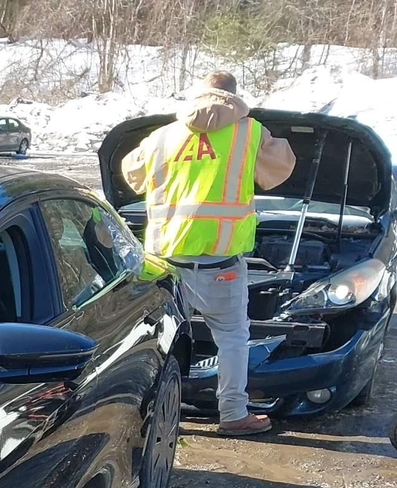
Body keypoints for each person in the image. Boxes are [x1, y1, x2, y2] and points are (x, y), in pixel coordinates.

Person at [122, 70, 296, 436]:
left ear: (196, 95)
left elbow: (131, 174)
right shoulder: (249, 132)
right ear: (234, 96)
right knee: (232, 337)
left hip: (165, 263)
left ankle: (155, 416)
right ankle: (233, 414)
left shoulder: (163, 136)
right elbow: (279, 169)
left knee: (161, 339)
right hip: (221, 264)